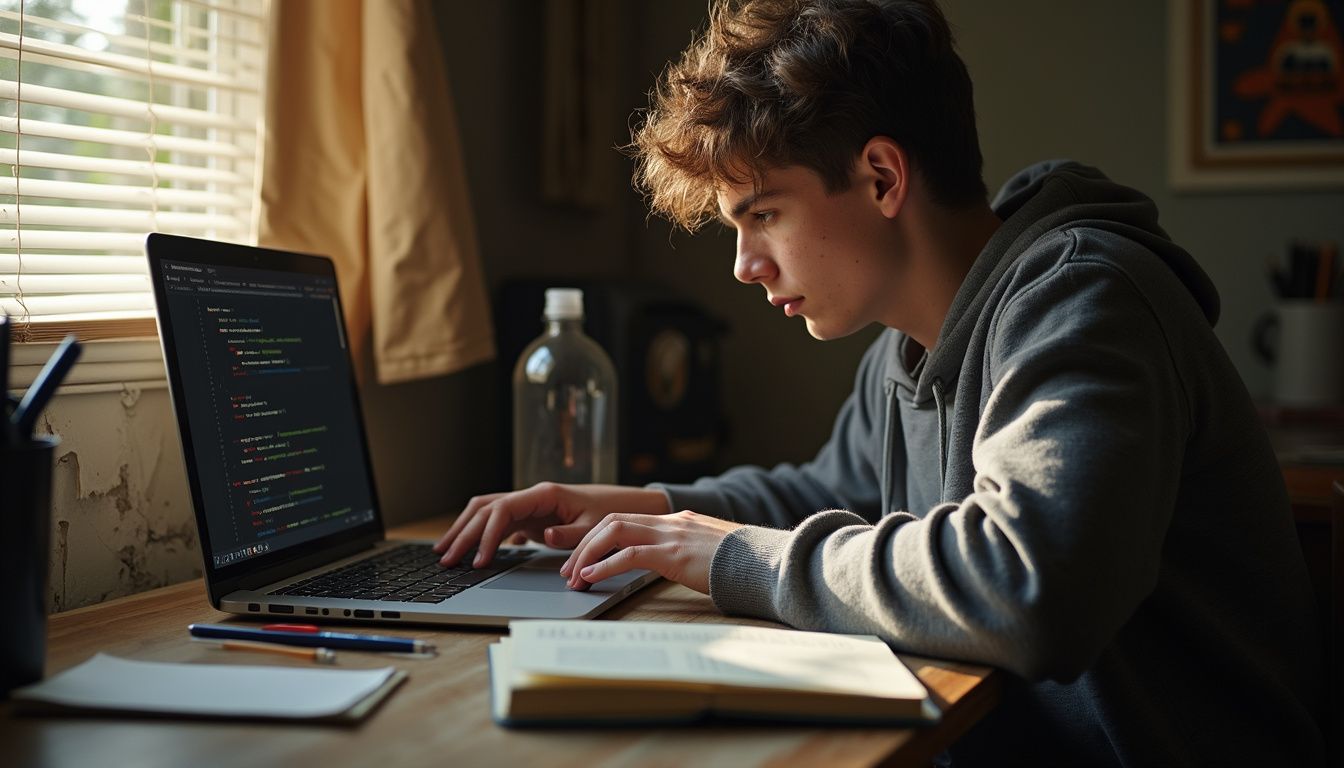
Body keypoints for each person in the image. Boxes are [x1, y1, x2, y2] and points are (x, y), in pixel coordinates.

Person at [435, 0, 1327, 763]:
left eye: (764, 215)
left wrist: (728, 555)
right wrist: (646, 508)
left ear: (881, 176)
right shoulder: (909, 346)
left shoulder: (1085, 302)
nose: (745, 266)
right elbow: (832, 494)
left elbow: (1029, 586)